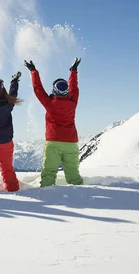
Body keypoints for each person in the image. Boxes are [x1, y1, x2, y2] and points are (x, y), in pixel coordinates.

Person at [24, 58, 84, 187]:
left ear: (54, 90)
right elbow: (74, 86)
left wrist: (33, 71)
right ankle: (80, 197)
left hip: (53, 142)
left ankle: (46, 194)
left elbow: (38, 89)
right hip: (71, 142)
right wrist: (73, 70)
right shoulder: (73, 102)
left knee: (49, 172)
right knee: (73, 174)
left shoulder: (50, 104)